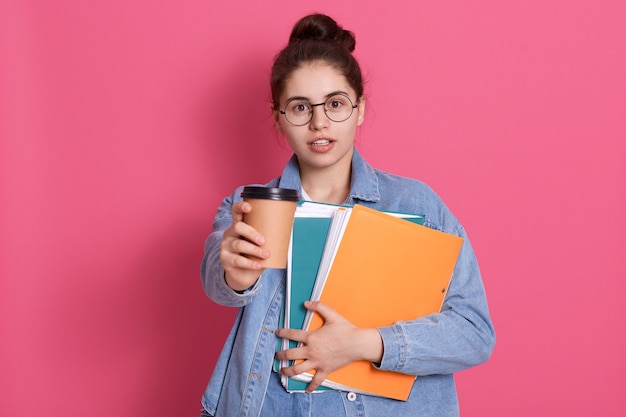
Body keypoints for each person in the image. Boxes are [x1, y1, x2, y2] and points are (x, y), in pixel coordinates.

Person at [199, 13, 495, 417]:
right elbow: (217, 283)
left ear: (359, 109)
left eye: (335, 104)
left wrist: (364, 344)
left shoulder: (420, 206)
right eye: (300, 107)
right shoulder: (249, 205)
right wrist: (235, 272)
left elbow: (474, 333)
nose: (319, 122)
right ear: (279, 118)